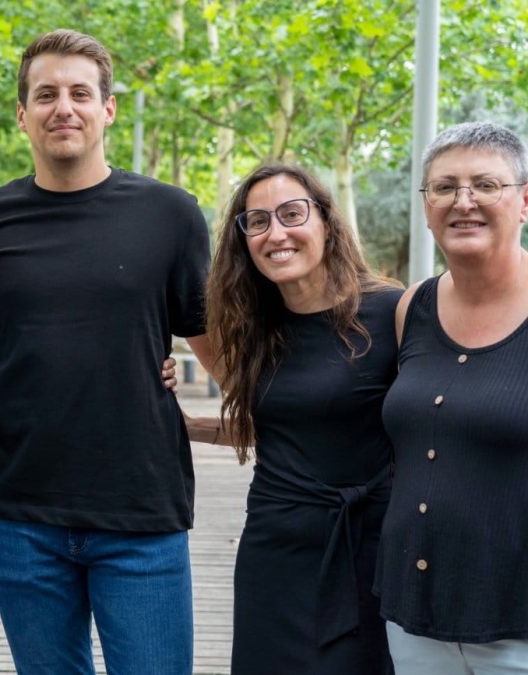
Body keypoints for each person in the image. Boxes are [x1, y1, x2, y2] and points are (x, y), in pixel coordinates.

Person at [0, 29, 213, 674]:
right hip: (22, 515)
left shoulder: (171, 214)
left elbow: (224, 352)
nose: (63, 107)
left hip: (141, 510)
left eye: (80, 92)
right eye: (45, 94)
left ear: (108, 109)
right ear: (23, 115)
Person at [188, 164, 400, 673]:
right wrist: (170, 419)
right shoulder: (255, 328)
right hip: (274, 550)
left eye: (291, 214)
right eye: (257, 221)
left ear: (326, 222)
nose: (275, 233)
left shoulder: (392, 313)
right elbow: (277, 427)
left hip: (369, 551)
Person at [378, 121, 528, 673]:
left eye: (486, 185)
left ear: (524, 202)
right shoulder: (409, 309)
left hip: (518, 622)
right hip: (415, 615)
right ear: (426, 204)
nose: (463, 201)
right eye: (444, 187)